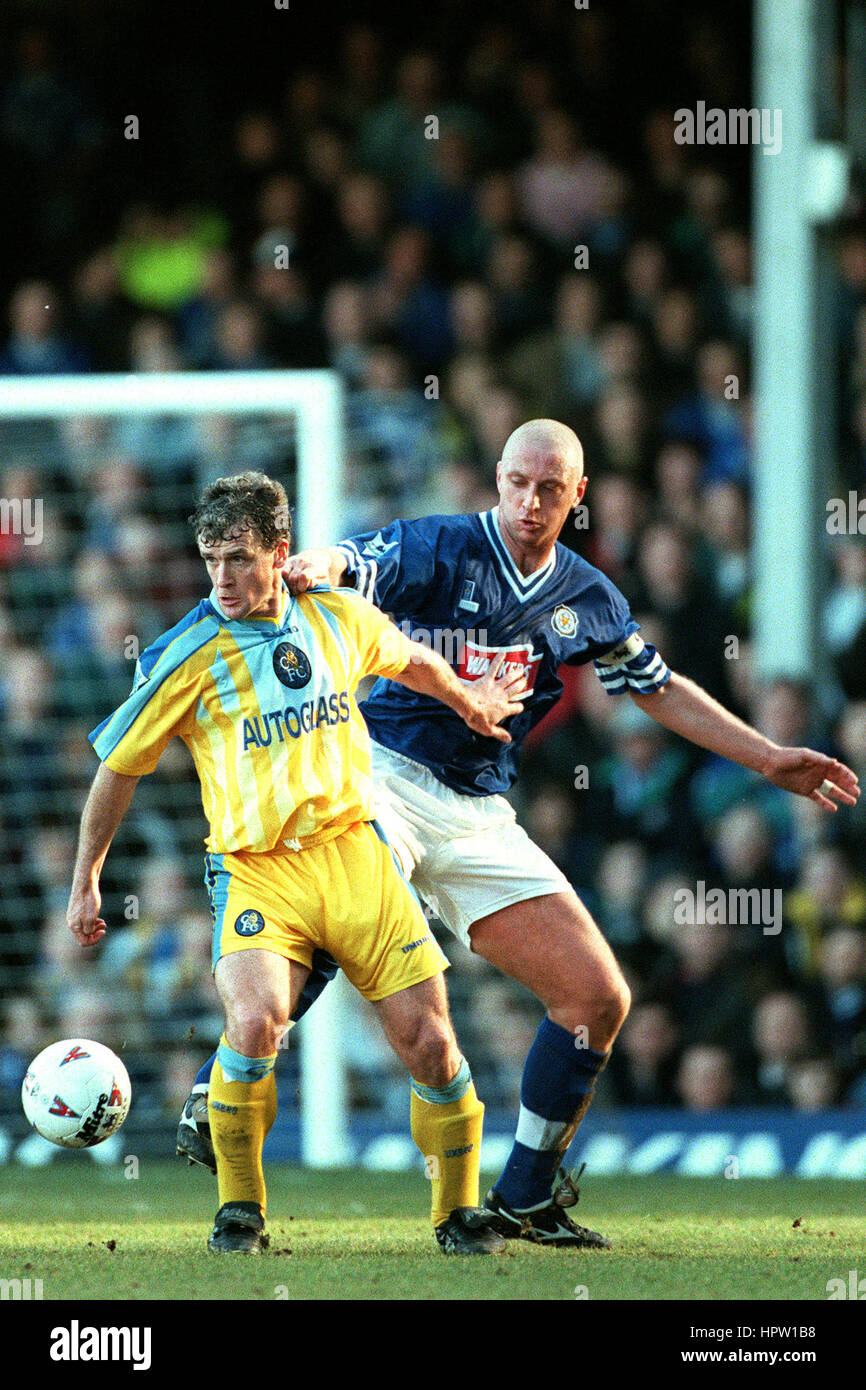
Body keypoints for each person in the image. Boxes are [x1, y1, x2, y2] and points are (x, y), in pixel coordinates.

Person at [179, 421, 860, 1248]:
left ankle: (527, 1193)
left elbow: (657, 686)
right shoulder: (442, 546)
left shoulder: (588, 595)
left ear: (578, 496)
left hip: (475, 812)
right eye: (516, 483)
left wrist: (766, 757)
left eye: (549, 489)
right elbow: (354, 562)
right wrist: (317, 564)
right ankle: (222, 1083)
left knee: (596, 998)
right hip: (379, 778)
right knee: (341, 917)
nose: (529, 503)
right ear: (497, 480)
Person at [66, 470, 527, 1256]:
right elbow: (119, 766)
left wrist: (470, 703)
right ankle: (239, 1212)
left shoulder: (337, 617)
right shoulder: (186, 653)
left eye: (240, 559)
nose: (223, 578)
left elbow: (411, 659)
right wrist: (87, 880)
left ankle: (456, 1214)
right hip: (256, 870)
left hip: (355, 856)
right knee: (253, 1024)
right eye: (211, 559)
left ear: (282, 552)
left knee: (431, 1043)